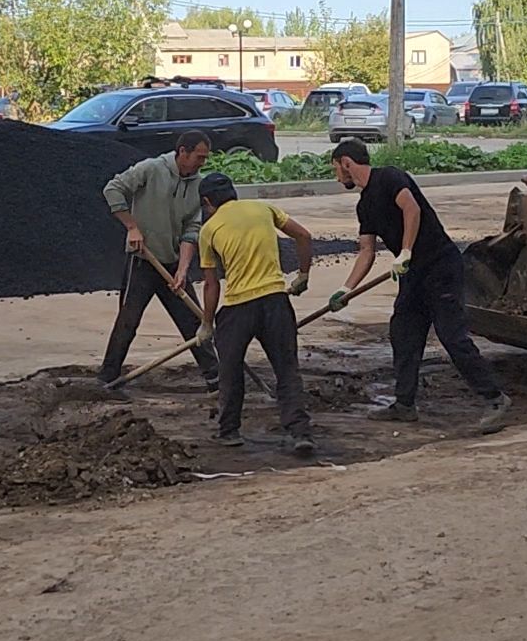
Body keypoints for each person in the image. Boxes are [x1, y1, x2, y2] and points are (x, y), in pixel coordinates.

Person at [329, 138, 511, 434]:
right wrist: (346, 289)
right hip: (412, 275)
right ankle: (404, 404)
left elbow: (411, 210)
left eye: (336, 168)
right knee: (403, 333)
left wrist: (406, 252)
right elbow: (367, 251)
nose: (336, 176)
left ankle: (495, 399)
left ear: (346, 163)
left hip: (440, 265)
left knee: (451, 336)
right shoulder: (364, 206)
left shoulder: (390, 177)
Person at [195, 172, 316, 456]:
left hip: (238, 307)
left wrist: (206, 323)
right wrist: (303, 274)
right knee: (287, 370)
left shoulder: (208, 230)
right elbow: (304, 235)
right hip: (275, 301)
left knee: (230, 370)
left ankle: (229, 431)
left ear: (207, 201)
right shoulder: (264, 208)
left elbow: (211, 284)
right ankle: (300, 433)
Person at [99, 130, 219, 390]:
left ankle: (215, 377)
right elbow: (113, 189)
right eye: (199, 157)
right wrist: (131, 226)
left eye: (205, 158)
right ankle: (107, 378)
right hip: (142, 261)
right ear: (182, 152)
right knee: (128, 320)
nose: (202, 162)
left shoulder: (198, 185)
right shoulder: (151, 169)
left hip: (173, 264)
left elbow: (191, 229)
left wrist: (183, 270)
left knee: (193, 321)